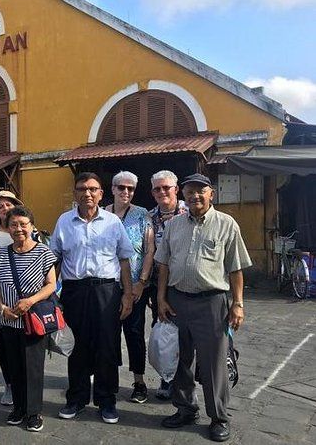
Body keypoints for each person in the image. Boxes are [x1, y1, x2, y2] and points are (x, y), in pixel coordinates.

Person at [155, 173, 251, 442]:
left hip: (212, 302)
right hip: (177, 301)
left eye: (201, 191)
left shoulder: (226, 224)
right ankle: (185, 409)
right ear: (182, 195)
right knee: (180, 359)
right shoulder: (174, 225)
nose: (195, 195)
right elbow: (163, 264)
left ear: (212, 194)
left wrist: (238, 304)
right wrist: (162, 299)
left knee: (213, 363)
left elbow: (235, 267)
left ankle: (219, 417)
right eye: (190, 191)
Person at [51, 172, 134, 424]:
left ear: (100, 193)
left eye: (93, 189)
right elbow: (54, 259)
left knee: (107, 347)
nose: (87, 193)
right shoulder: (64, 222)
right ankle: (76, 399)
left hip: (106, 292)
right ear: (75, 193)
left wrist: (128, 295)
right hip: (74, 292)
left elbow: (124, 259)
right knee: (76, 346)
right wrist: (53, 294)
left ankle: (106, 401)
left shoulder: (112, 222)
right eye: (82, 189)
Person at [0, 206, 57, 433]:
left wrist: (30, 301)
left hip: (33, 320)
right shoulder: (0, 254)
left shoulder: (44, 252)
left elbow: (51, 285)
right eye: (14, 225)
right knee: (14, 366)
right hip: (8, 320)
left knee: (33, 368)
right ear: (8, 228)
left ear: (31, 226)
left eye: (23, 224)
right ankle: (18, 408)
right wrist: (1, 308)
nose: (19, 229)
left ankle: (34, 412)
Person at [105, 171, 155, 404]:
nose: (126, 192)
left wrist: (142, 282)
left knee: (134, 334)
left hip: (135, 286)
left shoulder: (142, 215)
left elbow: (149, 250)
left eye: (131, 189)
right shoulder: (102, 213)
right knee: (109, 335)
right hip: (107, 286)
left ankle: (139, 382)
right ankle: (110, 379)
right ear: (113, 189)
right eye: (121, 187)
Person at [147, 169, 188, 400]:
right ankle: (167, 377)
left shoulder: (190, 211)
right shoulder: (149, 217)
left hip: (185, 282)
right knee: (164, 331)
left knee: (186, 333)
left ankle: (185, 380)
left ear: (176, 189)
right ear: (152, 193)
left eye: (166, 188)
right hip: (158, 284)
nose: (162, 192)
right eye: (157, 188)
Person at [0, 190, 25, 406]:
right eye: (1, 206)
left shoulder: (29, 230)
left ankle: (27, 384)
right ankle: (10, 384)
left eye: (9, 204)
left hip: (26, 298)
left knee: (27, 343)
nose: (5, 209)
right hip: (1, 298)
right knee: (4, 344)